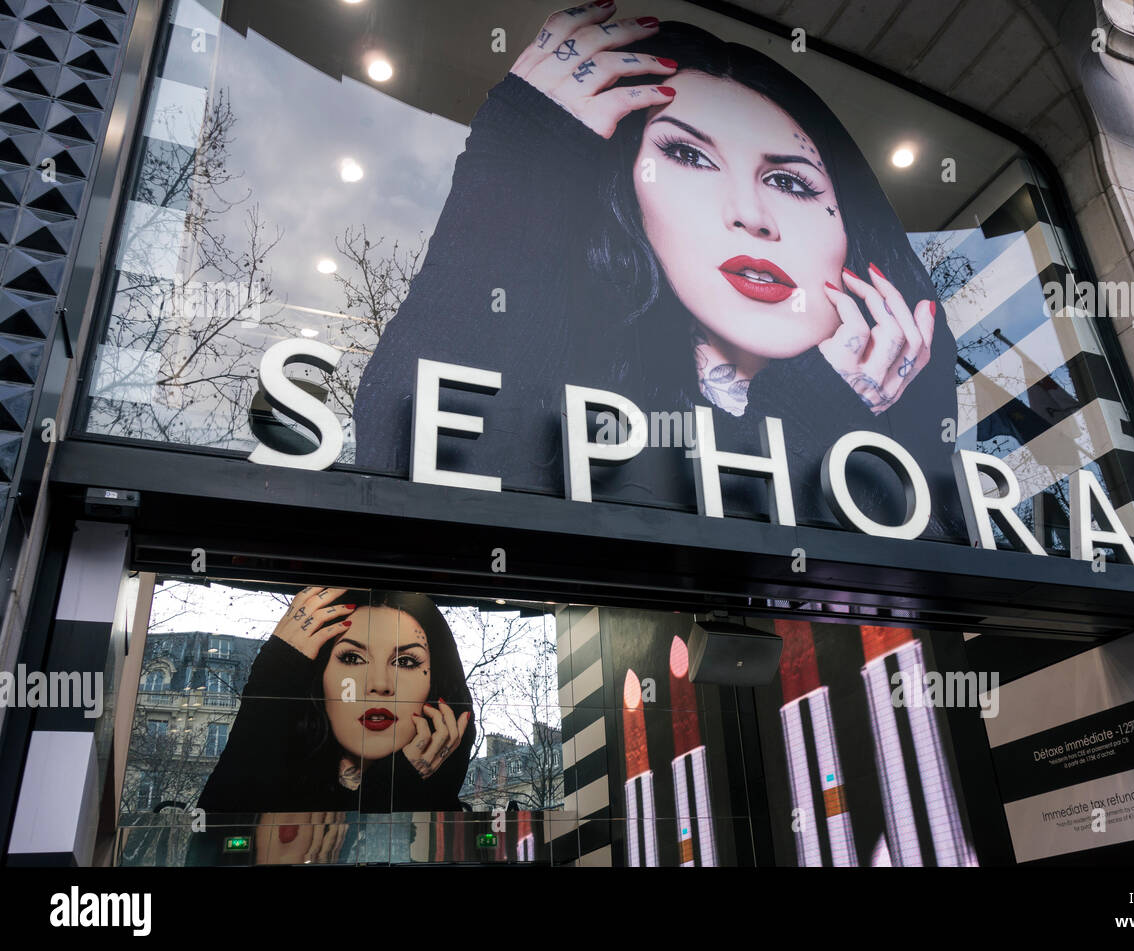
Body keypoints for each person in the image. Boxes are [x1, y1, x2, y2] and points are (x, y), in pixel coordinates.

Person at [355, 3, 964, 537]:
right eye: (687, 155)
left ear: (849, 232)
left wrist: (833, 413)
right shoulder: (576, 400)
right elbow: (409, 474)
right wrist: (521, 165)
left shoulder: (907, 457)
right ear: (628, 198)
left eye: (788, 181)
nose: (751, 216)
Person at [194, 587, 474, 814]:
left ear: (435, 684)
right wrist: (272, 685)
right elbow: (213, 840)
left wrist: (402, 783)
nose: (379, 685)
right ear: (320, 678)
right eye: (352, 658)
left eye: (405, 661)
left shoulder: (447, 827)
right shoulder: (272, 783)